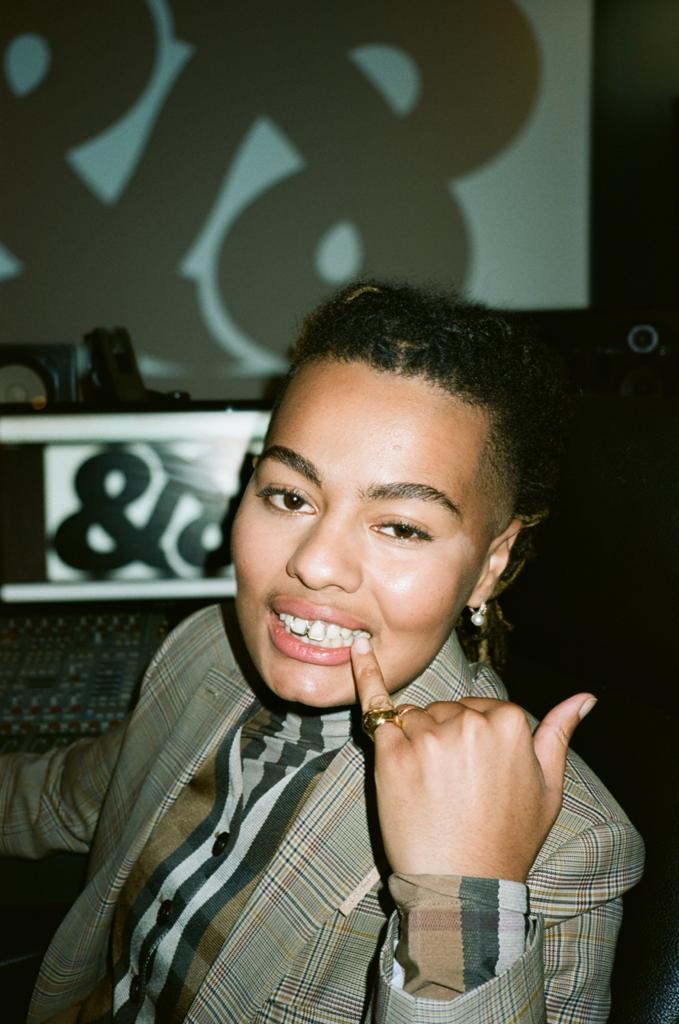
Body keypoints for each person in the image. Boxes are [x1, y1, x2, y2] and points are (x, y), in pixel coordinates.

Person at [0, 281, 644, 1024]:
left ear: (491, 562)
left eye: (400, 527)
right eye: (289, 496)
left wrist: (462, 897)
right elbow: (63, 800)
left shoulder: (565, 848)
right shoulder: (204, 649)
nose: (314, 563)